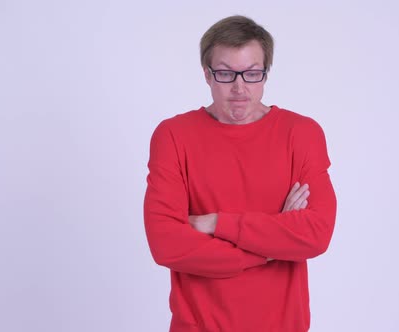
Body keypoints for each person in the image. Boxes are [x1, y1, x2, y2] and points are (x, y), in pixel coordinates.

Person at [144, 15, 337, 332]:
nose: (239, 87)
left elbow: (316, 234)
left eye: (251, 74)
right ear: (207, 75)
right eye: (225, 73)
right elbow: (166, 243)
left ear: (265, 74)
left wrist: (216, 223)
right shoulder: (173, 136)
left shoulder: (301, 134)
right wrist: (269, 250)